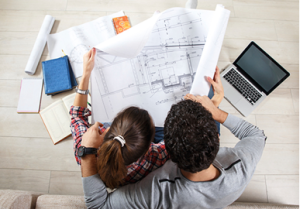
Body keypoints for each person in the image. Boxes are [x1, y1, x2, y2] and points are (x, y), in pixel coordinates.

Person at [80, 60, 267, 208]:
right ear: (216, 140)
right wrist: (215, 109)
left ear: (166, 150)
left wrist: (87, 153)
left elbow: (98, 206)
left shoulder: (155, 192)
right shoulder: (241, 167)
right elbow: (256, 135)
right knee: (208, 92)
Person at [70, 48, 169, 189]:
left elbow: (77, 116)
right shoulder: (153, 158)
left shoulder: (86, 151)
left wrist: (86, 73)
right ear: (148, 147)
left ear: (110, 127)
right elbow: (173, 143)